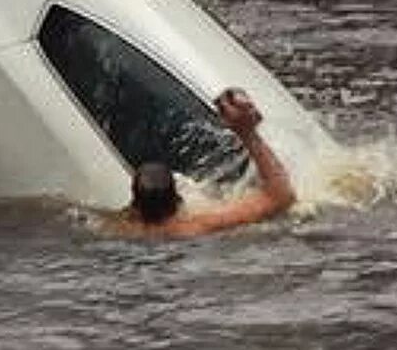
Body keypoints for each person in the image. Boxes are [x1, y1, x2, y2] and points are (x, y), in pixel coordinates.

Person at [110, 87, 296, 238]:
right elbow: (280, 197)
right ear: (177, 199)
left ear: (134, 205)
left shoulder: (118, 230)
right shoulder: (197, 227)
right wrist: (247, 132)